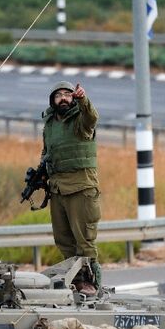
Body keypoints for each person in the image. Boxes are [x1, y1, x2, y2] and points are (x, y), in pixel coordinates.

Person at [40, 81, 102, 295]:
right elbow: (46, 152)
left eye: (68, 94)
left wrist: (84, 99)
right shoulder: (49, 124)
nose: (64, 98)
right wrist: (40, 174)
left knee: (84, 240)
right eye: (59, 96)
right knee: (64, 240)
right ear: (53, 100)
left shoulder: (81, 121)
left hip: (81, 188)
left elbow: (92, 117)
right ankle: (74, 280)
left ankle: (90, 282)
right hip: (57, 189)